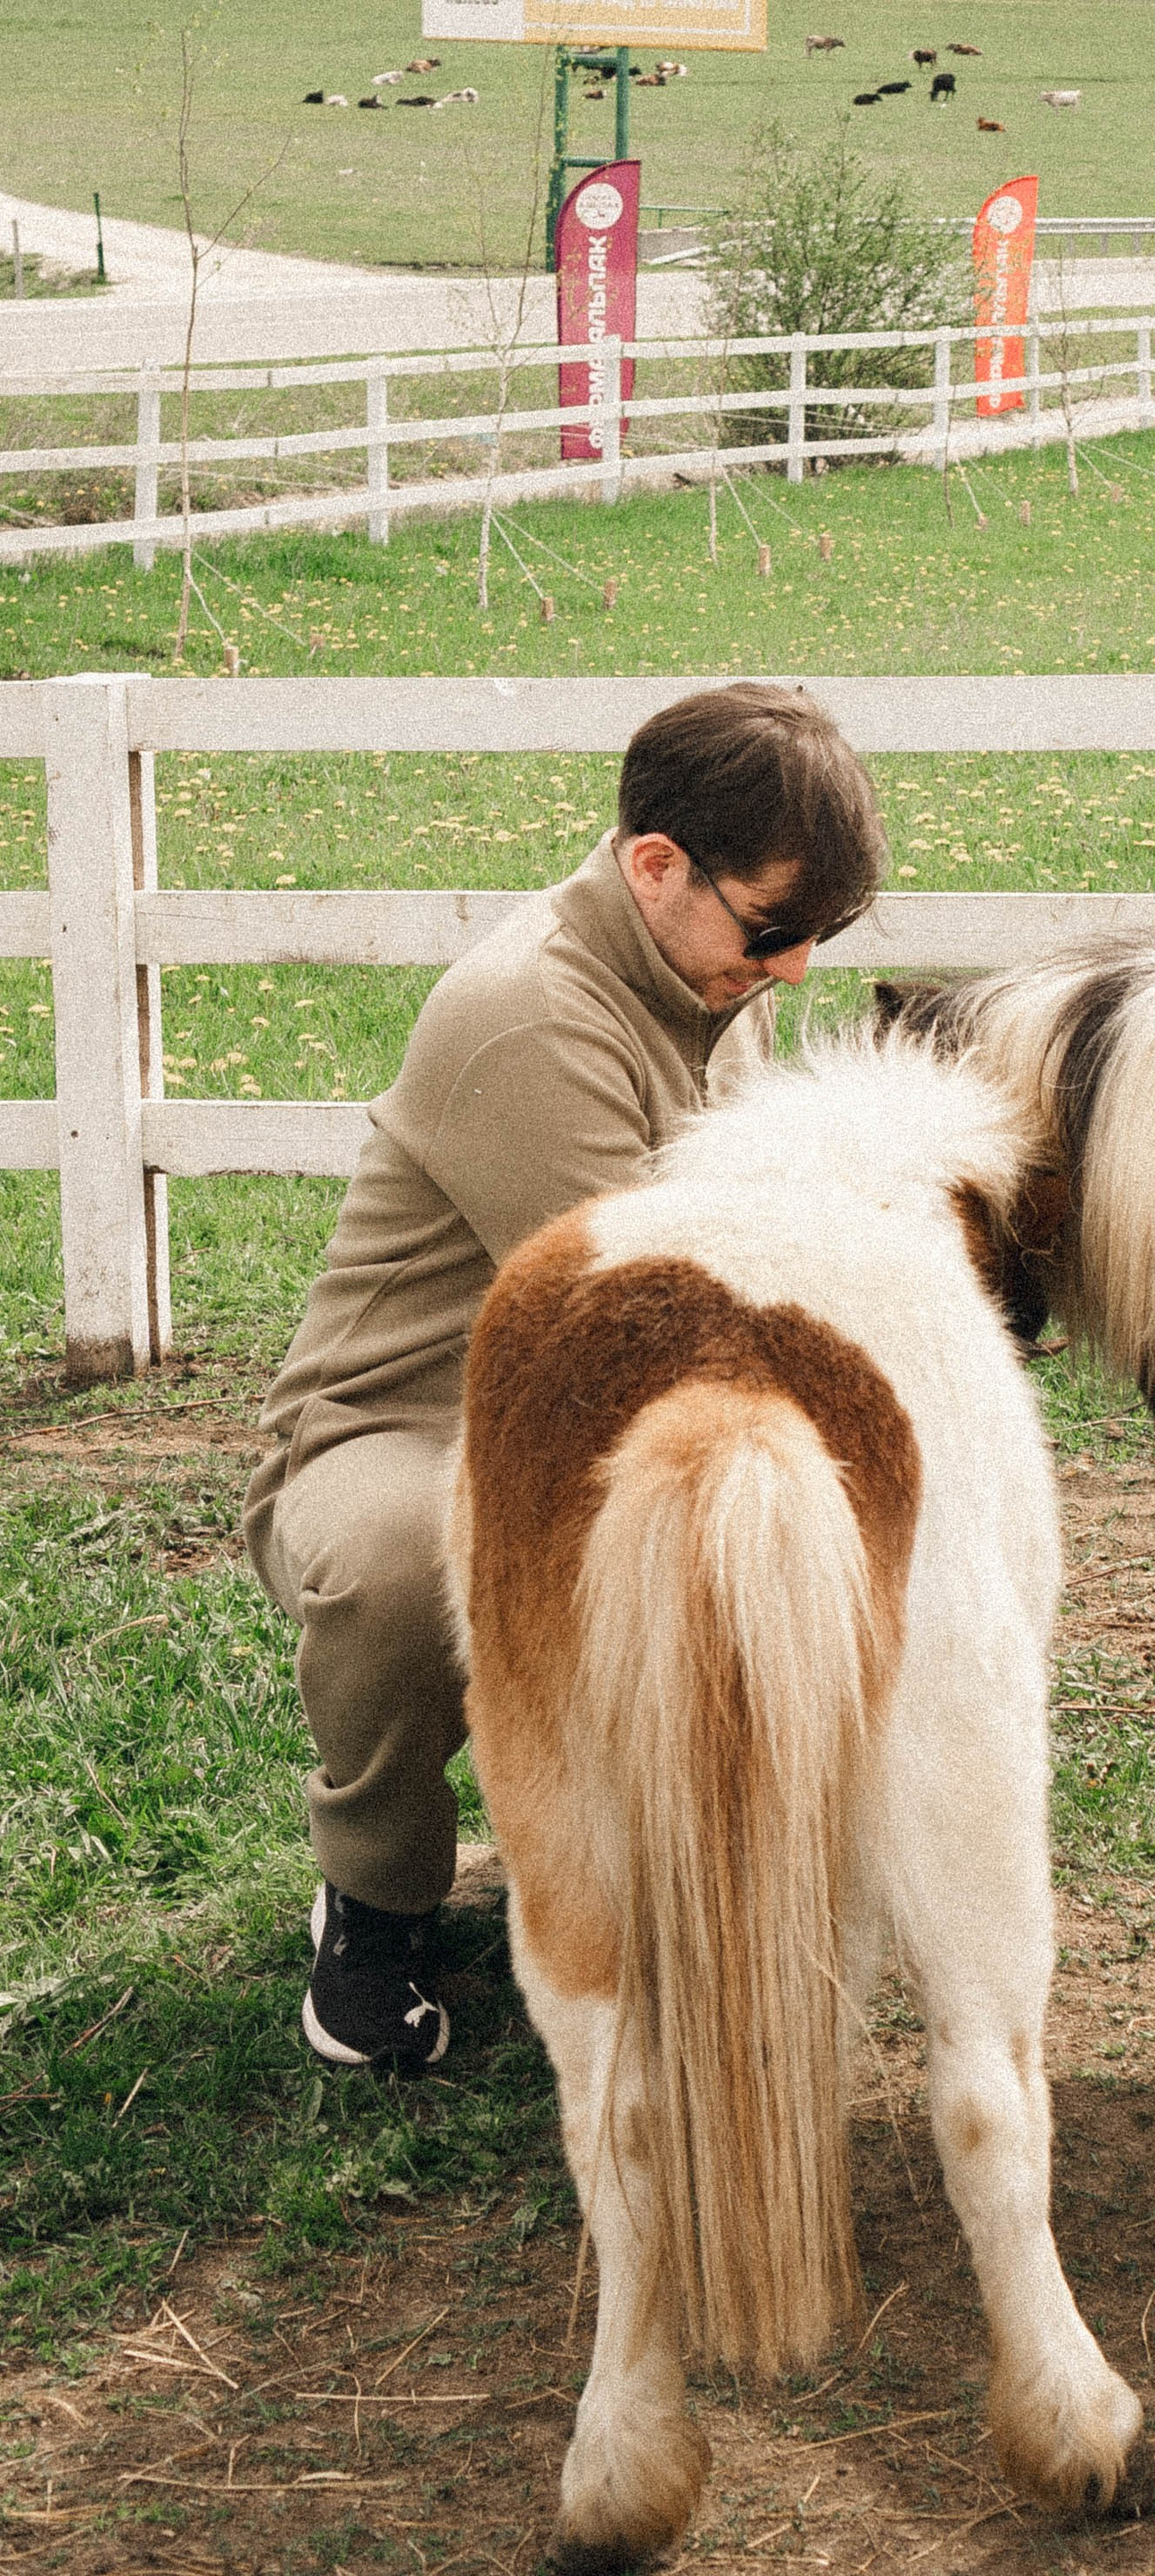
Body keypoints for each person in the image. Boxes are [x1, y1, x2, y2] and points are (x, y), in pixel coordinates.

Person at [243, 681, 887, 2073]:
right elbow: (655, 1329)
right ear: (655, 866)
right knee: (410, 1572)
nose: (794, 973)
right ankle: (376, 1896)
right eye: (775, 931)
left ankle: (679, 1872)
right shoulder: (533, 1017)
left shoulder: (704, 979)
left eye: (821, 936)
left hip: (602, 1397)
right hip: (412, 1427)